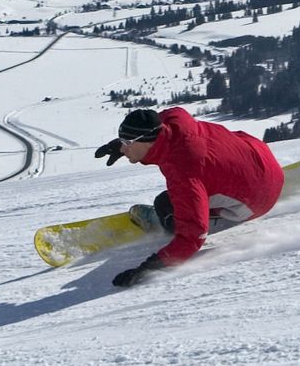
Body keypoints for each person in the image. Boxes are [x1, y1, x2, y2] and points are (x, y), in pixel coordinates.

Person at [95, 107, 285, 287]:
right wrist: (121, 144)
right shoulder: (175, 118)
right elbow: (156, 120)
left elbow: (193, 236)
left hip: (259, 198)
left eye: (127, 143)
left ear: (147, 140)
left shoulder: (183, 173)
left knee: (165, 204)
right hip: (260, 155)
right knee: (204, 174)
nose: (124, 148)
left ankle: (162, 219)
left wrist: (148, 268)